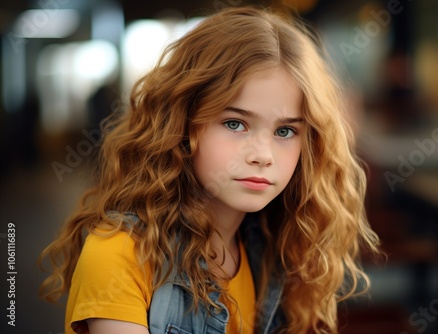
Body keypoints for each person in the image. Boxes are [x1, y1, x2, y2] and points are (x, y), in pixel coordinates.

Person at [39, 6, 379, 334]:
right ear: (183, 123)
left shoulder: (277, 250)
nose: (262, 155)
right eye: (235, 123)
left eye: (285, 131)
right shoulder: (118, 253)